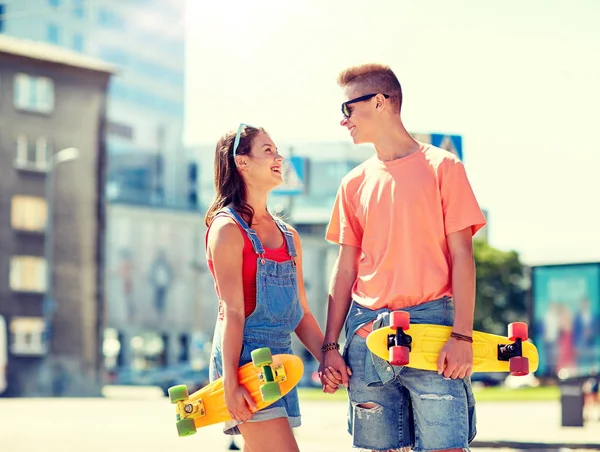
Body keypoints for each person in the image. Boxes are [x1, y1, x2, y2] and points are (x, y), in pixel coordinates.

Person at [319, 63, 487, 452]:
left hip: (434, 328)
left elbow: (464, 256)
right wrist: (331, 347)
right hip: (365, 331)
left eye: (348, 109)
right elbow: (344, 269)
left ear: (379, 102)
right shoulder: (353, 183)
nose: (344, 121)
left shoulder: (444, 167)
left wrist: (462, 333)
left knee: (446, 447)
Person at [205, 123, 339, 452]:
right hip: (245, 363)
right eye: (268, 150)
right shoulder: (227, 229)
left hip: (280, 361)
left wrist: (327, 356)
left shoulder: (289, 236)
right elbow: (232, 312)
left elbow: (301, 313)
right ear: (242, 162)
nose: (278, 157)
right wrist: (230, 384)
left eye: (277, 151)